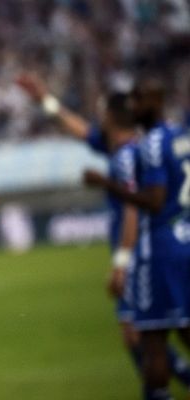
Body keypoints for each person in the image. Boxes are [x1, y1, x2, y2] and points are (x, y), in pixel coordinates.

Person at [17, 74, 190, 397]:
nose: (97, 119)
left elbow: (133, 211)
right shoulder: (130, 147)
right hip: (169, 248)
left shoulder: (126, 157)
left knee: (144, 334)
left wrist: (123, 262)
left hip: (147, 257)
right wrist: (45, 100)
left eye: (102, 113)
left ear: (111, 117)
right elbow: (78, 129)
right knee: (160, 330)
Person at [84, 78, 190, 400]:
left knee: (150, 338)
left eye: (140, 98)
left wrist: (106, 184)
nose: (134, 104)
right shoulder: (177, 136)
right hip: (184, 236)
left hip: (158, 249)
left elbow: (146, 203)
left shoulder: (149, 145)